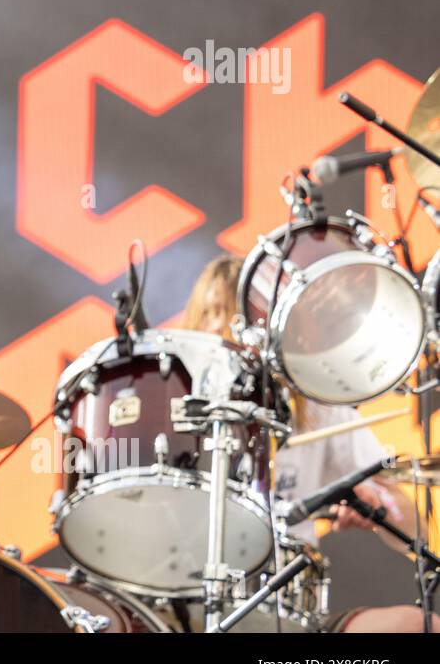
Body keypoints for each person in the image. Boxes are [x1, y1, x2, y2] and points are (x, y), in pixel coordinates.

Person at [184, 254, 437, 632]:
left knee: (420, 626)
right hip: (186, 603)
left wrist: (382, 507)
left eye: (243, 317)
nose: (227, 329)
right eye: (214, 313)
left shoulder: (317, 406)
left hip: (291, 612)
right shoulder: (176, 409)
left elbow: (412, 525)